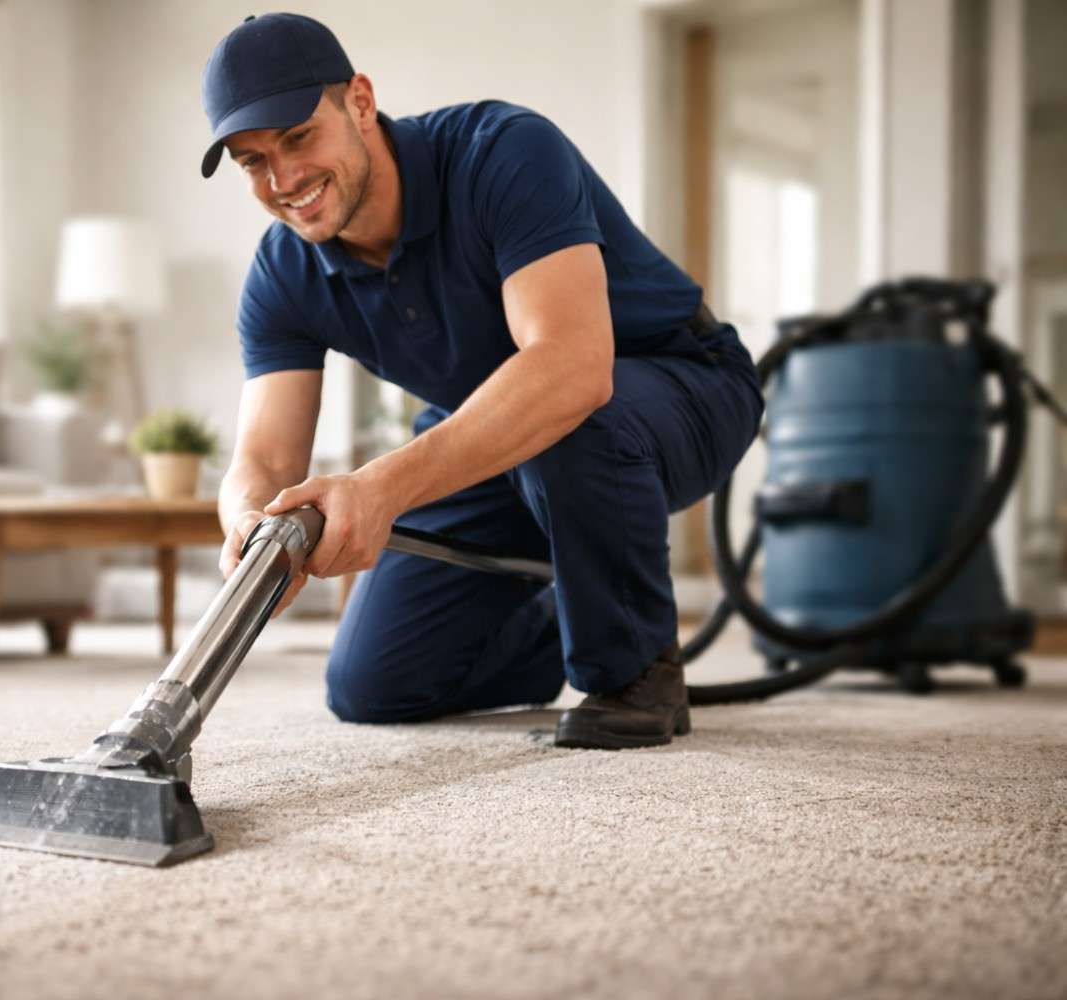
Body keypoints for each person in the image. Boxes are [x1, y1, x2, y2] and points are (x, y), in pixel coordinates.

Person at [203, 13, 763, 749]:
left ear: (361, 103)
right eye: (252, 161)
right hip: (495, 432)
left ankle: (631, 671)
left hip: (676, 385)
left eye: (299, 137)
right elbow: (268, 461)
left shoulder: (502, 152)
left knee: (566, 418)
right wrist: (252, 522)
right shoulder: (284, 272)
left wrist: (380, 488)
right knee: (374, 685)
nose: (283, 181)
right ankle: (578, 602)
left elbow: (571, 366)